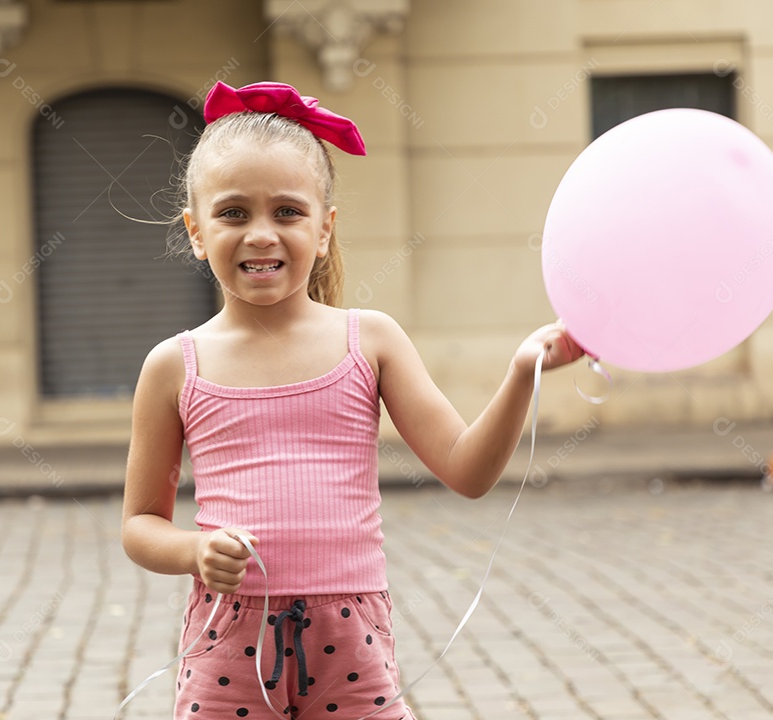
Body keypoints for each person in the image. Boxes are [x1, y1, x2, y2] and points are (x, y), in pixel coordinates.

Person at [121, 81, 584, 720]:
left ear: (325, 229)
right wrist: (193, 552)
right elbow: (139, 524)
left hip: (353, 640)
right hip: (227, 641)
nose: (261, 234)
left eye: (287, 212)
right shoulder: (175, 365)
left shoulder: (371, 340)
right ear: (196, 232)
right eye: (233, 214)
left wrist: (521, 372)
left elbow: (467, 469)